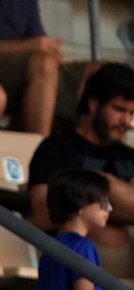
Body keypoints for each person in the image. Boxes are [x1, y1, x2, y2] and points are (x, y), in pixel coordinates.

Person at [27, 63, 134, 270]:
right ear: (93, 104)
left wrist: (88, 197)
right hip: (74, 264)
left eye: (131, 113)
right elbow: (44, 214)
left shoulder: (129, 157)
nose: (127, 121)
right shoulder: (56, 148)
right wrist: (116, 195)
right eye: (119, 109)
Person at [0, 0, 96, 135]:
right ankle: (37, 154)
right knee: (44, 65)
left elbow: (38, 42)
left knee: (98, 73)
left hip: (19, 69)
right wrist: (25, 47)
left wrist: (51, 50)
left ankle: (85, 156)